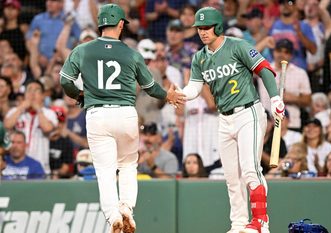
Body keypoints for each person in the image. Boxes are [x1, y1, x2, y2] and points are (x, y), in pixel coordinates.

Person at [59, 4, 185, 233]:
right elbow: (150, 87)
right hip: (126, 113)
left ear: (100, 24)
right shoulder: (131, 53)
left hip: (98, 114)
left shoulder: (82, 50)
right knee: (128, 165)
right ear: (120, 24)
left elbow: (65, 80)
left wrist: (79, 95)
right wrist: (168, 95)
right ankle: (127, 208)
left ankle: (113, 216)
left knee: (105, 171)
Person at [177, 7, 285, 233]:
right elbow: (195, 87)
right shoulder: (200, 57)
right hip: (224, 118)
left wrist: (275, 98)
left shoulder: (238, 46)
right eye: (199, 28)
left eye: (206, 27)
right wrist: (180, 94)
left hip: (248, 112)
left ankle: (260, 222)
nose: (202, 32)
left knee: (250, 169)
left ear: (217, 26)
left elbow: (264, 69)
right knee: (231, 176)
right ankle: (238, 223)